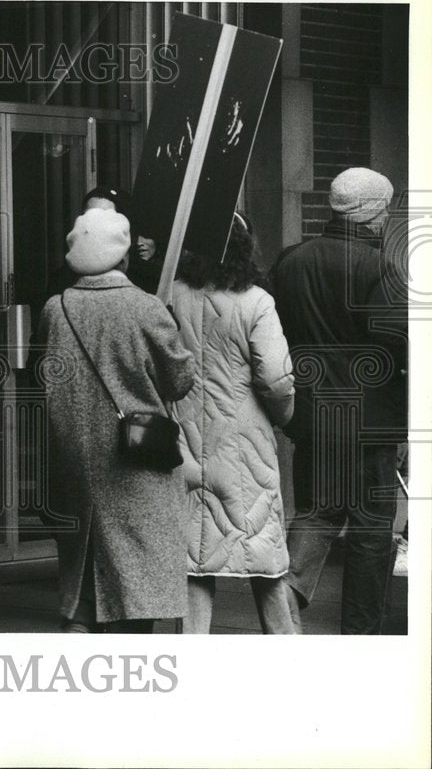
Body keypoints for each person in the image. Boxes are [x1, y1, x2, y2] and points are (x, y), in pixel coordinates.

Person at [38, 207, 195, 633]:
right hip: (136, 456)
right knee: (136, 585)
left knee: (85, 581)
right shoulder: (146, 307)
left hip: (76, 456)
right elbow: (179, 380)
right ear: (124, 256)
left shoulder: (57, 308)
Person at [271, 167, 407, 635]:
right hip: (371, 419)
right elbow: (397, 344)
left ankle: (284, 593)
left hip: (311, 415)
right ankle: (360, 635)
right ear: (369, 212)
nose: (387, 215)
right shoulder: (379, 268)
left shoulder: (290, 261)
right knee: (371, 531)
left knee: (317, 512)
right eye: (385, 207)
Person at [172, 211, 297, 634]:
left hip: (187, 439)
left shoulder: (172, 296)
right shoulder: (257, 302)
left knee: (196, 558)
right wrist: (281, 418)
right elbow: (277, 379)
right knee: (263, 555)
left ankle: (188, 664)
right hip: (246, 442)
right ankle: (289, 656)